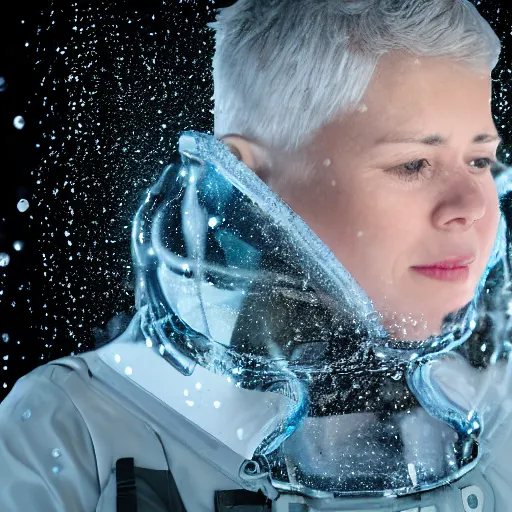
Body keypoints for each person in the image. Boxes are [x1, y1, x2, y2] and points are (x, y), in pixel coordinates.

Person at [1, 0, 512, 510]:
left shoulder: (503, 420)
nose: (469, 206)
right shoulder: (72, 430)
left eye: (479, 160)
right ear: (247, 184)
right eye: (413, 163)